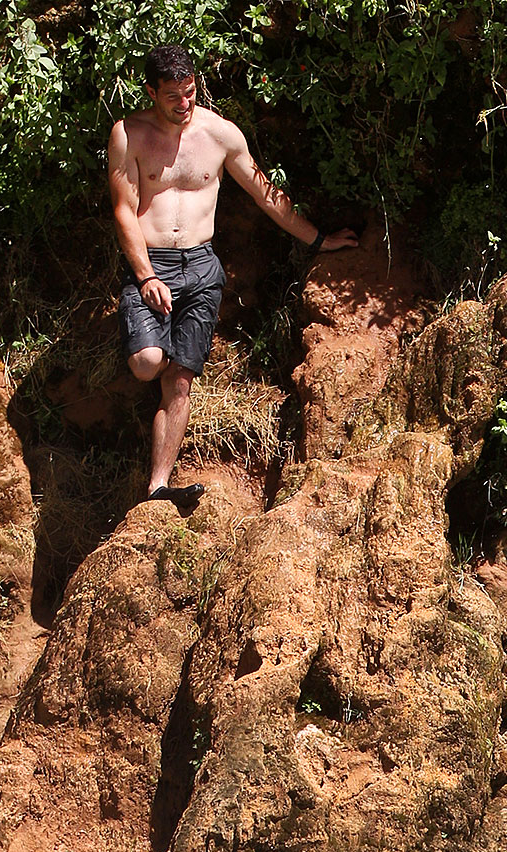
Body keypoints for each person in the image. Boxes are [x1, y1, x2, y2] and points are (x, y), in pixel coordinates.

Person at [107, 44, 357, 507]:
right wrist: (145, 277)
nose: (184, 103)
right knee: (147, 363)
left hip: (202, 265)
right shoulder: (129, 134)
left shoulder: (219, 134)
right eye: (172, 96)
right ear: (151, 92)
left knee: (180, 380)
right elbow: (124, 209)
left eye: (189, 91)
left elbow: (265, 193)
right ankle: (158, 351)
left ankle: (157, 486)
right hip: (153, 264)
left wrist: (318, 239)